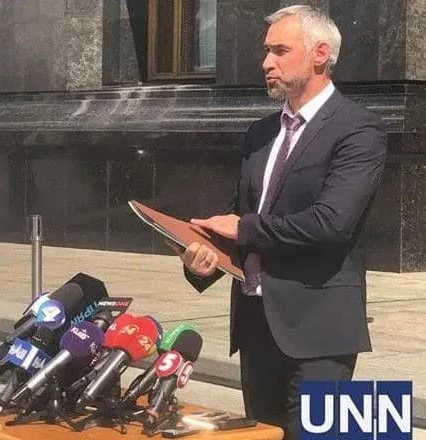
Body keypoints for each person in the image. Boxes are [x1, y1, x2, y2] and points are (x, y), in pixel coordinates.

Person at [174, 5, 387, 440]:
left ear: (320, 54)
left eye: (280, 51)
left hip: (321, 334)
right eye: (266, 51)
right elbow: (239, 219)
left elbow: (332, 223)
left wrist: (244, 229)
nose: (266, 62)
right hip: (256, 328)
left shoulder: (360, 130)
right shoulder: (260, 132)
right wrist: (204, 259)